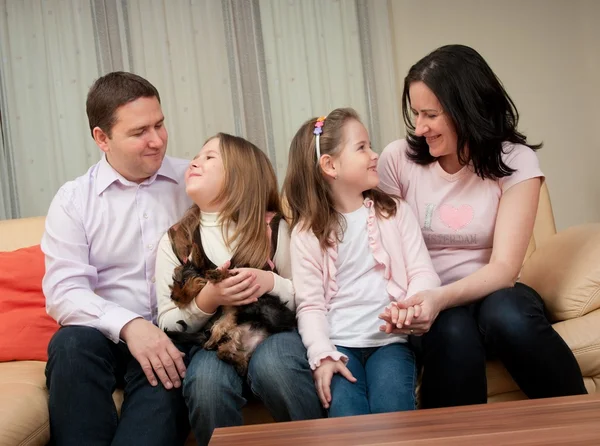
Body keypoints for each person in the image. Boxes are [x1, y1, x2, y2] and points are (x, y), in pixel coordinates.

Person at [377, 44, 587, 409]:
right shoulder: (398, 160)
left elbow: (504, 270)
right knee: (453, 329)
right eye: (416, 114)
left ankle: (584, 421)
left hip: (492, 294)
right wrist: (420, 303)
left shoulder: (515, 161)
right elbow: (385, 252)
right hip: (427, 306)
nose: (420, 127)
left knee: (505, 313)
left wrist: (439, 299)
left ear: (467, 109)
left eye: (431, 114)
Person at [42, 72, 192, 445]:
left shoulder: (195, 181)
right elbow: (64, 291)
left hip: (174, 335)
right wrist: (129, 326)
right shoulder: (74, 199)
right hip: (102, 337)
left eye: (159, 124)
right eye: (140, 131)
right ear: (102, 138)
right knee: (69, 345)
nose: (156, 140)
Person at [155, 133, 323, 445]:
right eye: (197, 155)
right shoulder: (177, 240)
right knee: (205, 384)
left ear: (240, 176)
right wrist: (207, 300)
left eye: (209, 157)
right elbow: (165, 320)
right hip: (211, 344)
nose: (195, 161)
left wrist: (271, 282)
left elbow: (308, 293)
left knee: (276, 366)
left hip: (274, 335)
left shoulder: (273, 229)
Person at [282, 108, 440, 417]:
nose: (374, 154)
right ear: (330, 165)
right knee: (346, 418)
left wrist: (410, 307)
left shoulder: (395, 212)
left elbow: (423, 273)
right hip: (339, 347)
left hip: (391, 343)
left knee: (393, 413)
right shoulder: (306, 233)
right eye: (362, 147)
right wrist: (322, 355)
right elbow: (310, 305)